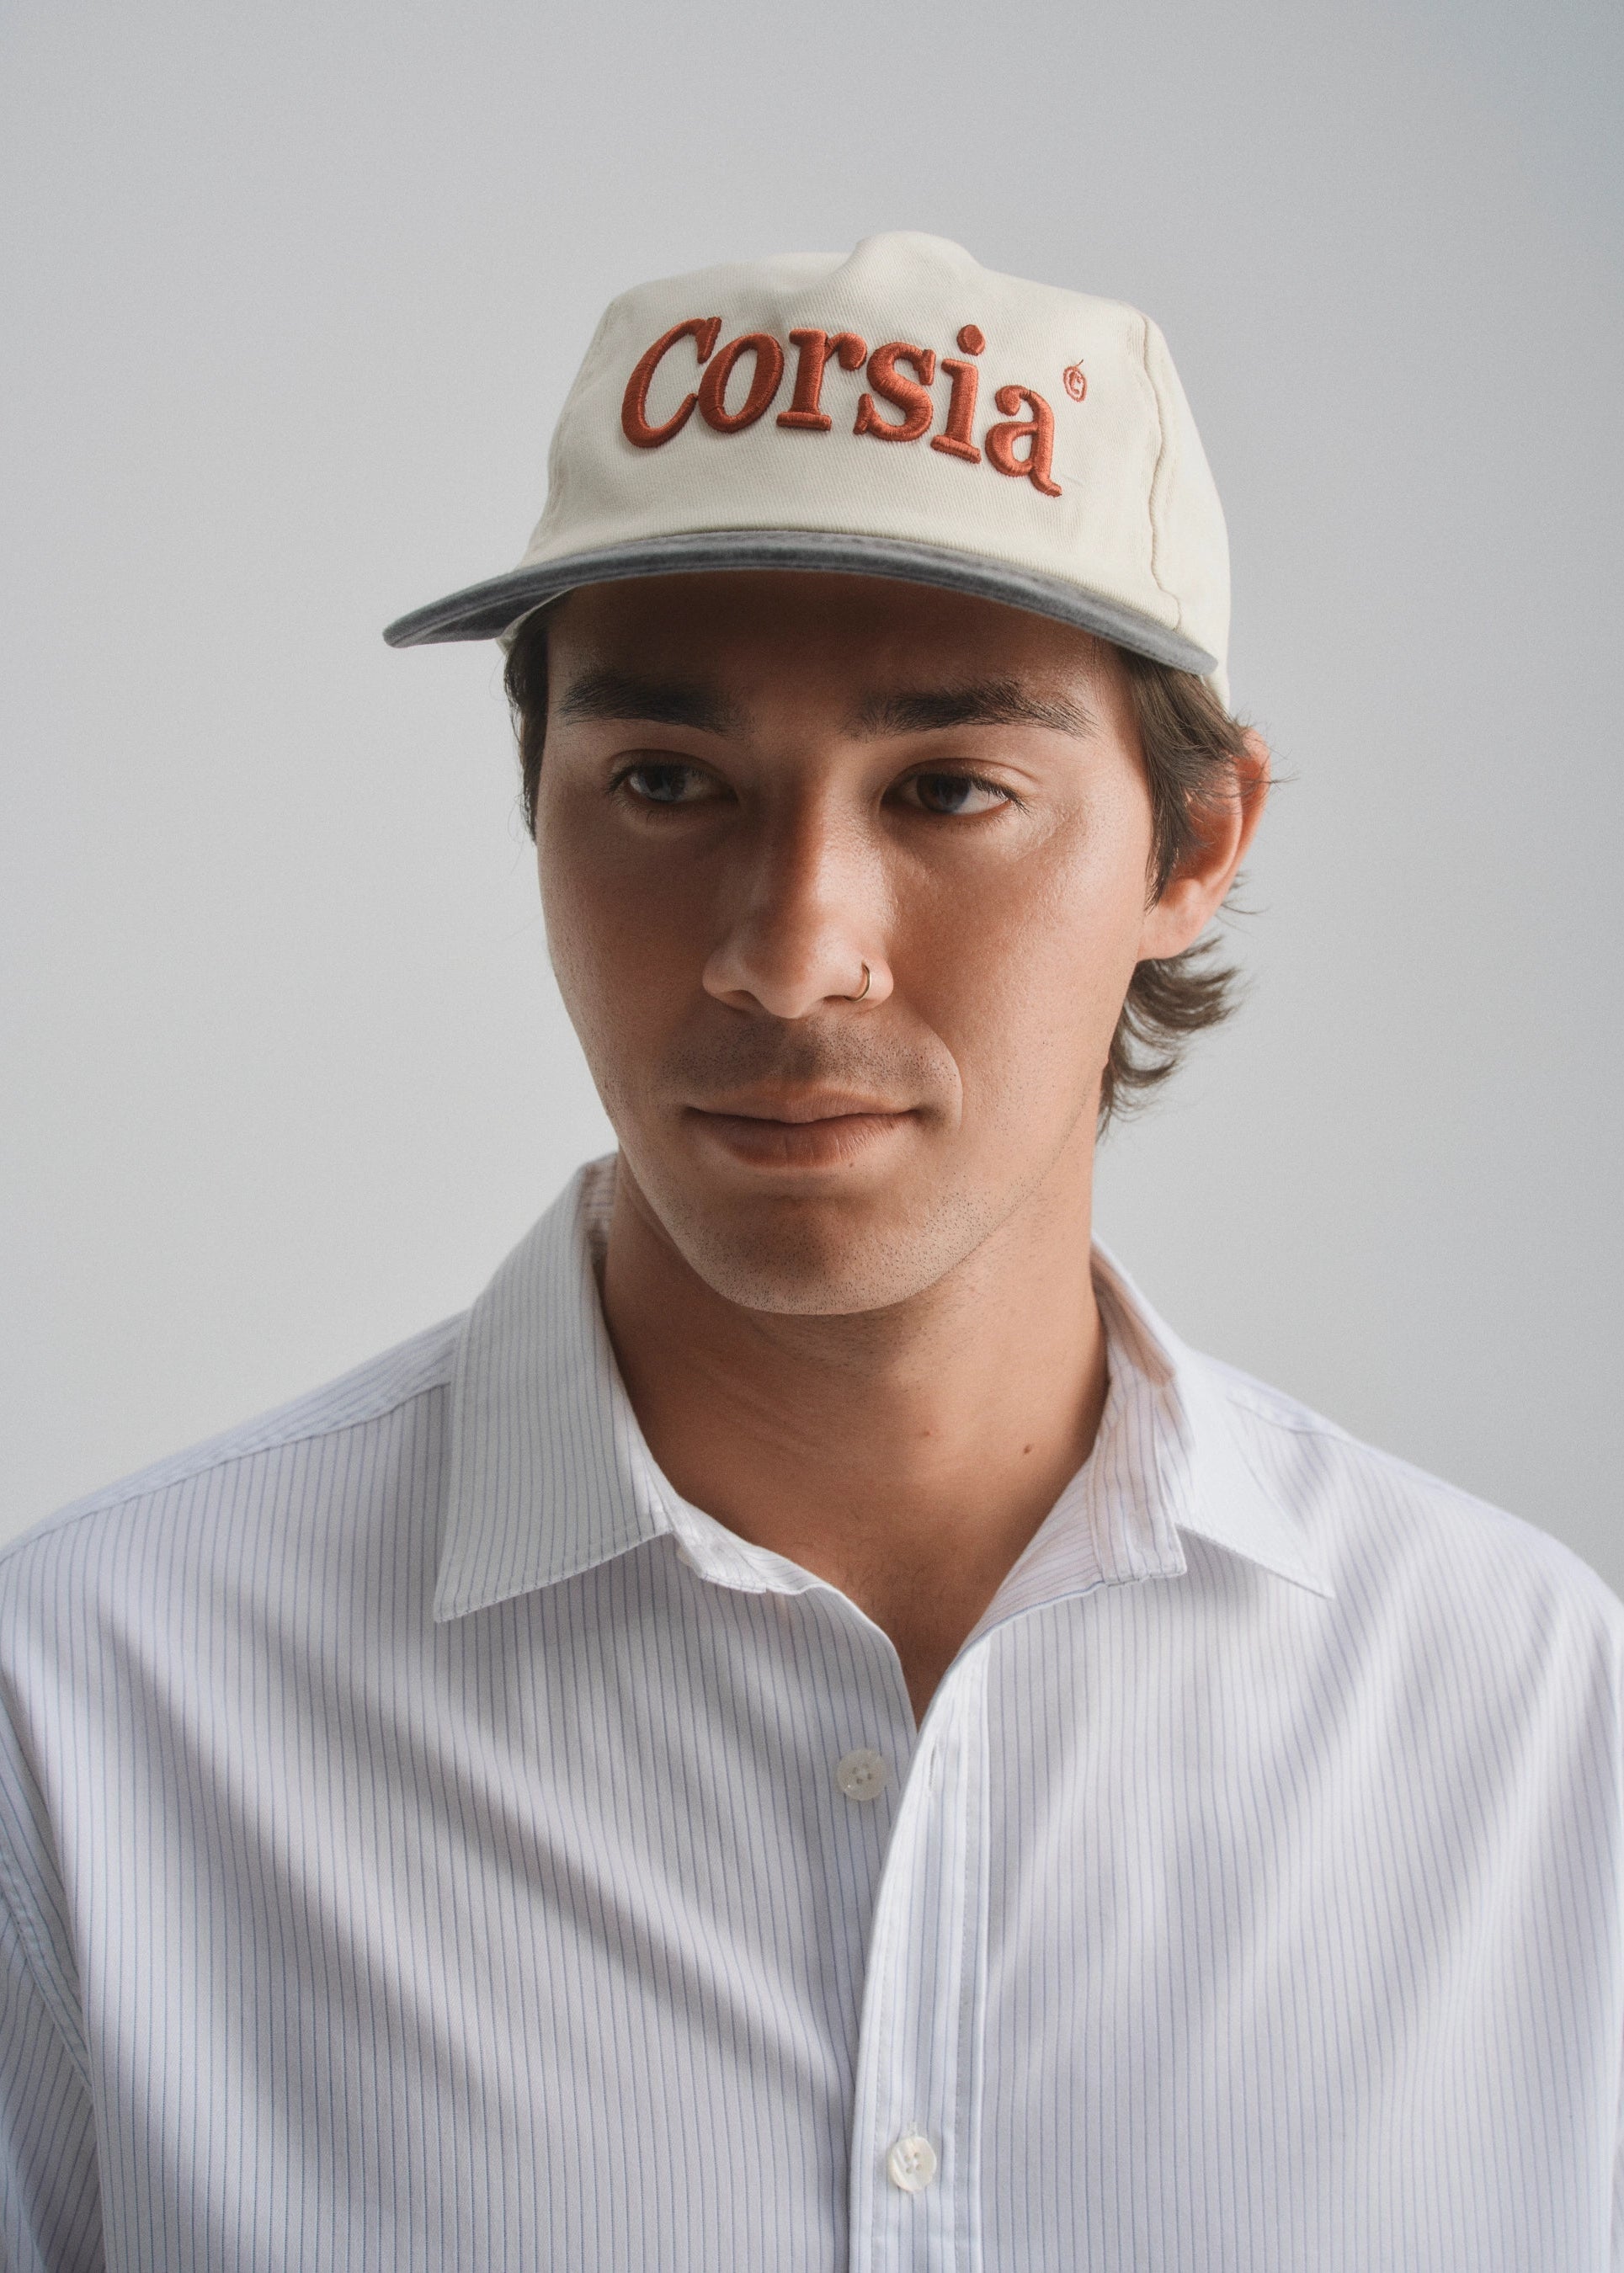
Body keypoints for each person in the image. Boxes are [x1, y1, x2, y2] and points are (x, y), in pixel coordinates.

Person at [2, 232, 1618, 2272]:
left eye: (948, 788)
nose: (788, 953)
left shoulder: (1528, 1729)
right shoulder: (84, 1717)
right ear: (535, 802)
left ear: (1192, 847)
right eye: (664, 782)